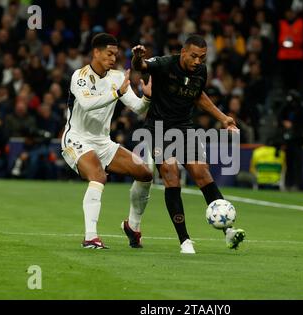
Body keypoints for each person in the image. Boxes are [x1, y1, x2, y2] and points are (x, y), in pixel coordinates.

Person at [132, 35, 246, 254]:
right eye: (193, 56)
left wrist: (223, 117)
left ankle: (228, 232)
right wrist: (137, 58)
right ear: (183, 52)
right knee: (171, 173)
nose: (197, 62)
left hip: (184, 127)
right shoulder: (165, 64)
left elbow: (199, 96)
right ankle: (184, 240)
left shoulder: (201, 72)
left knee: (202, 173)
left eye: (202, 58)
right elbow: (142, 66)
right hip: (158, 127)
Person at [61, 33, 153, 249]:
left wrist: (147, 98)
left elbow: (138, 108)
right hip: (76, 139)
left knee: (145, 173)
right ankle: (90, 237)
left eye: (116, 55)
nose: (113, 58)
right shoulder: (80, 76)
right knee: (98, 176)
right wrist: (116, 93)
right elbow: (86, 103)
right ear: (96, 52)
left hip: (103, 142)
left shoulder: (118, 77)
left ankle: (133, 226)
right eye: (109, 53)